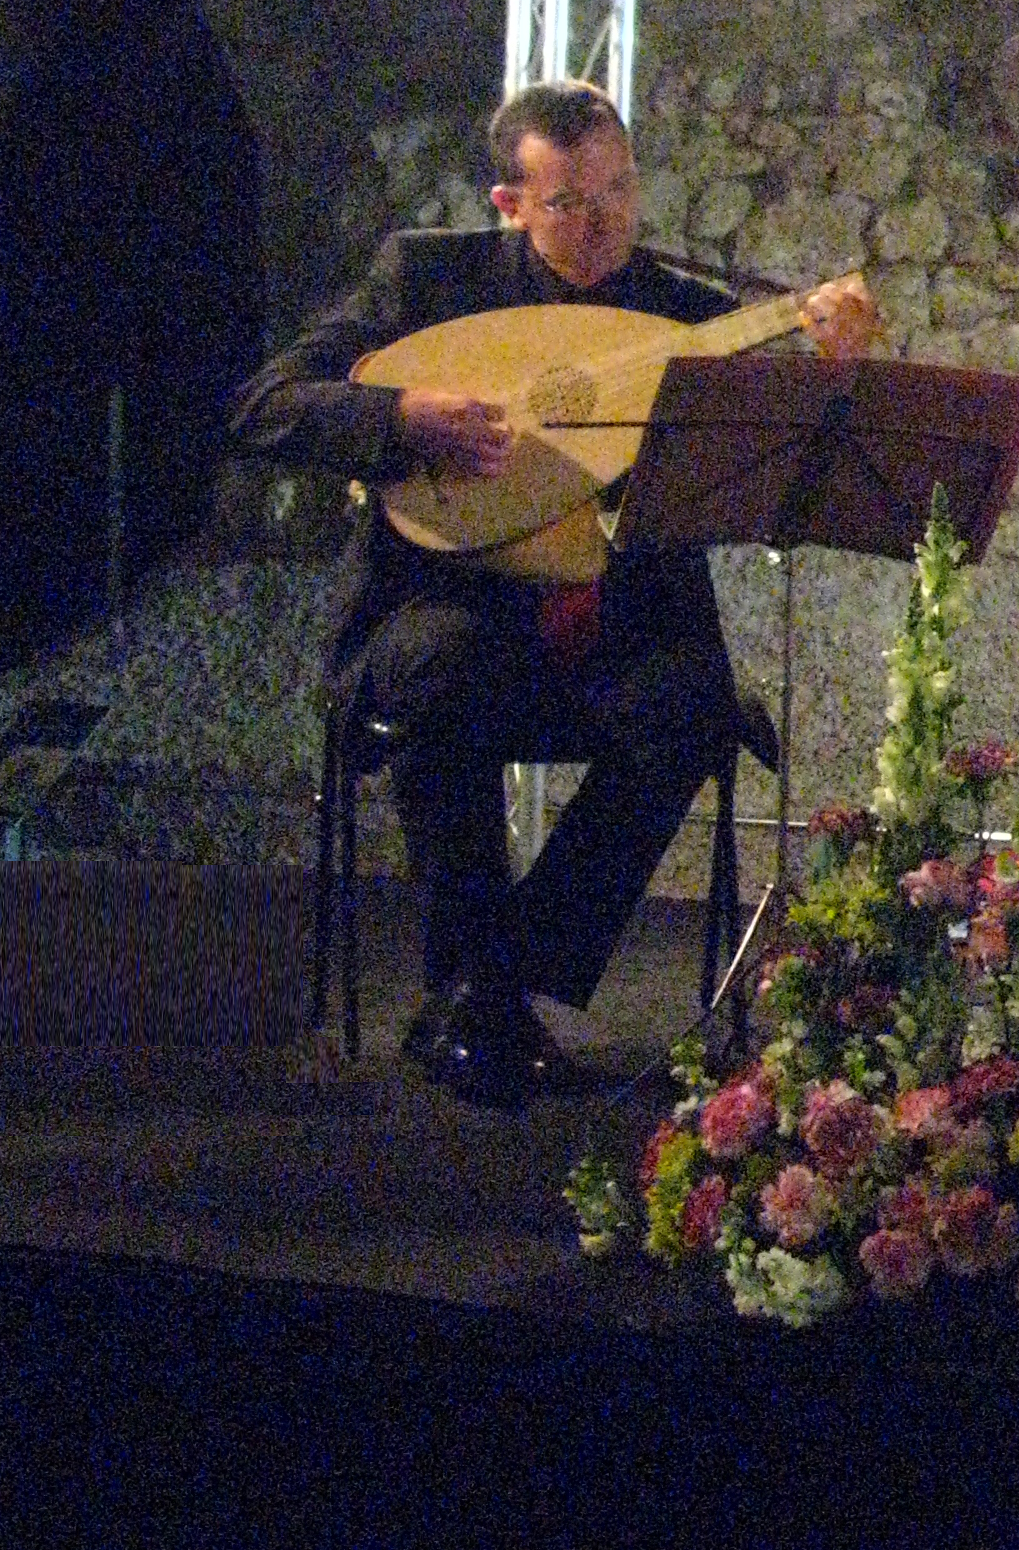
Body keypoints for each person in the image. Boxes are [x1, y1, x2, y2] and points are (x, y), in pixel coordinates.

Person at [230, 80, 878, 1108]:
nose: (604, 222)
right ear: (509, 204)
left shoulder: (676, 312)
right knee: (452, 669)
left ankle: (501, 976)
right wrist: (400, 417)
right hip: (438, 608)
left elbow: (791, 431)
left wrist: (832, 364)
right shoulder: (428, 282)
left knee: (691, 703)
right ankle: (480, 998)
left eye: (619, 192)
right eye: (570, 202)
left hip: (611, 620)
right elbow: (264, 405)